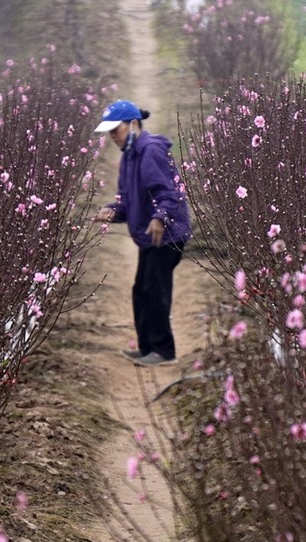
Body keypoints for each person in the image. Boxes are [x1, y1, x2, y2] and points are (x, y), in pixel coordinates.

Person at [93, 100, 192, 366]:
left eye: (116, 129)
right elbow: (126, 200)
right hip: (150, 236)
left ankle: (164, 351)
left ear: (134, 124)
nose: (113, 136)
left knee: (155, 291)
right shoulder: (129, 156)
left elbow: (167, 193)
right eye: (109, 131)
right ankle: (148, 347)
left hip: (166, 235)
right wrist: (113, 211)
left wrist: (160, 218)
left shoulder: (150, 151)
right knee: (141, 290)